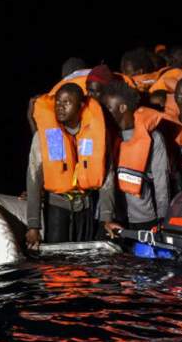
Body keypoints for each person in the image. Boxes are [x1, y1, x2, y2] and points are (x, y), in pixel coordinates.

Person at [25, 83, 115, 249]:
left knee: (85, 261)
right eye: (58, 102)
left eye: (67, 103)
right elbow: (33, 179)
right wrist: (33, 225)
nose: (60, 107)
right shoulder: (45, 136)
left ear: (81, 106)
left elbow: (107, 177)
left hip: (87, 208)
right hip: (57, 208)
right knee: (58, 266)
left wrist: (107, 217)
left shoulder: (98, 134)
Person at [101, 80, 171, 234]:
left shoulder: (153, 138)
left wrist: (162, 218)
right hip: (116, 218)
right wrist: (106, 216)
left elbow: (162, 182)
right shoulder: (108, 137)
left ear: (122, 108)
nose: (104, 112)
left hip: (145, 218)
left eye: (108, 108)